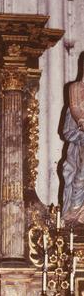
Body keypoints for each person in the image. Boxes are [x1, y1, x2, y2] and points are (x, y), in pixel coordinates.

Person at [63, 65, 84, 223]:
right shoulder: (76, 87)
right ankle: (75, 208)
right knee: (81, 172)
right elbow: (76, 109)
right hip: (80, 133)